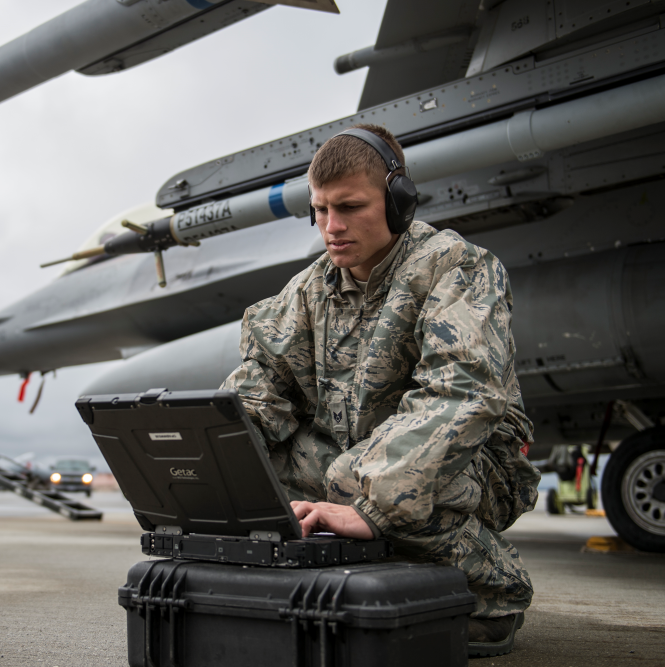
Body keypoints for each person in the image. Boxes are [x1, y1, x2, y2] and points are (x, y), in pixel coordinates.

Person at [221, 124, 541, 658]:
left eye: (349, 207)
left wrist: (370, 501)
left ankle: (493, 594)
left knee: (350, 476)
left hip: (473, 463)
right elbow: (259, 389)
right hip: (359, 461)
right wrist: (211, 462)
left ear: (398, 203)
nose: (332, 226)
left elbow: (461, 393)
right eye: (320, 210)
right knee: (260, 468)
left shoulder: (454, 267)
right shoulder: (310, 290)